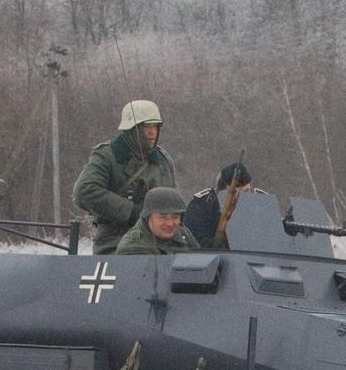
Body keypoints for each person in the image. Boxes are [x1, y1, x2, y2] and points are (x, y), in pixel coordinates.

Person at [74, 99, 176, 252]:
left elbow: (173, 200)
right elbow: (84, 192)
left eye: (155, 126)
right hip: (115, 240)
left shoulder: (162, 160)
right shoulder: (108, 156)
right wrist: (132, 211)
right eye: (145, 127)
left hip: (160, 243)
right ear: (131, 129)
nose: (152, 132)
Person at [183, 161, 261, 250]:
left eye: (246, 192)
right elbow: (195, 245)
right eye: (234, 193)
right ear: (221, 192)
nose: (241, 198)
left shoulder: (260, 206)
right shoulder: (202, 206)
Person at [111, 187, 198, 254]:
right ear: (148, 217)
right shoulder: (133, 247)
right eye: (163, 217)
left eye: (175, 217)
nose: (170, 223)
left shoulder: (183, 233)